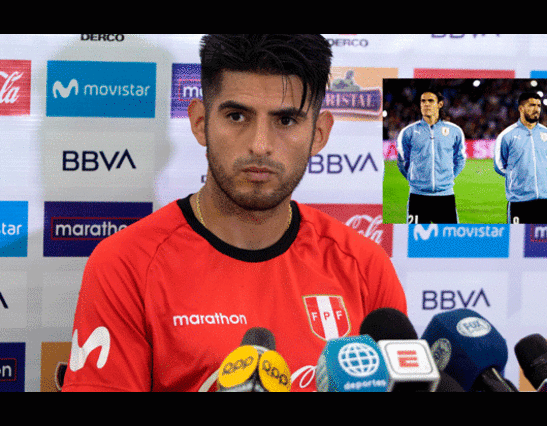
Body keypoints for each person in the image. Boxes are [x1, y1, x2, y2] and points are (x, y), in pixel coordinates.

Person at [61, 34, 407, 392]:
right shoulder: (125, 265)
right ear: (199, 122)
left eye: (285, 121)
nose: (260, 145)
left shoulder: (366, 267)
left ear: (319, 134)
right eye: (237, 115)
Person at [396, 87, 466, 224]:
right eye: (423, 101)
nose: (426, 104)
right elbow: (402, 161)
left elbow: (460, 159)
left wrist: (447, 178)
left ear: (440, 104)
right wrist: (414, 179)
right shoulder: (408, 132)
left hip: (445, 196)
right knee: (417, 242)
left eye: (430, 101)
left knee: (449, 241)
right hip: (418, 197)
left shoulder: (454, 131)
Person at [493, 91, 547, 224]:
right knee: (518, 242)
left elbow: (545, 160)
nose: (536, 109)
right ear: (521, 108)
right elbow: (499, 166)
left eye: (539, 106)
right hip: (520, 201)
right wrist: (518, 176)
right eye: (532, 105)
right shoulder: (507, 135)